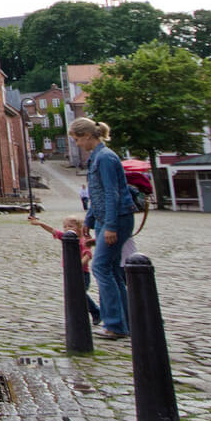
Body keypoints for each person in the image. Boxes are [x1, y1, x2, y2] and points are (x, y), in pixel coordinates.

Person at [69, 116, 136, 340]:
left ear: (88, 136)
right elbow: (95, 195)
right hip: (106, 218)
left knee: (100, 267)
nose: (77, 144)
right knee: (114, 271)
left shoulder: (105, 158)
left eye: (78, 139)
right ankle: (124, 321)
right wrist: (88, 221)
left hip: (116, 218)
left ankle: (115, 324)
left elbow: (111, 193)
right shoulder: (96, 158)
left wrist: (110, 226)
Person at [29, 214, 100, 326]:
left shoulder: (83, 240)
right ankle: (79, 316)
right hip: (70, 273)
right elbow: (52, 230)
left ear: (79, 227)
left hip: (82, 273)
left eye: (70, 226)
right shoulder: (65, 237)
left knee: (80, 294)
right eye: (65, 226)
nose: (67, 229)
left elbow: (88, 255)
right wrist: (40, 223)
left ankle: (96, 311)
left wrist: (77, 266)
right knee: (74, 295)